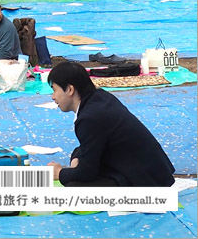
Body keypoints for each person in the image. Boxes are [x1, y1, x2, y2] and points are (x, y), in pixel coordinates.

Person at [47, 62, 175, 187]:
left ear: (70, 89)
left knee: (74, 186)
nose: (53, 97)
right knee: (78, 154)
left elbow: (86, 173)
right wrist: (77, 161)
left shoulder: (89, 118)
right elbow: (92, 145)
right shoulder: (99, 97)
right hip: (151, 169)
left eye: (54, 90)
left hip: (147, 181)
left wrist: (60, 173)